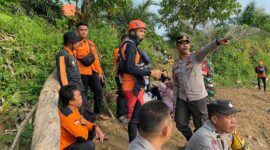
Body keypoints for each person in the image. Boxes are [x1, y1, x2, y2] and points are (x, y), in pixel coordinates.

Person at [172, 34, 230, 142]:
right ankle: (192, 142)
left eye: (187, 43)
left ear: (189, 45)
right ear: (177, 46)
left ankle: (201, 145)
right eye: (181, 43)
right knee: (180, 124)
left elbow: (205, 50)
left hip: (198, 98)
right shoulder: (175, 64)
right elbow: (175, 84)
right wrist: (175, 102)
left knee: (201, 126)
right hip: (182, 99)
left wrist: (217, 42)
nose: (184, 45)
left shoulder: (195, 57)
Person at [118, 19, 163, 142]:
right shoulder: (131, 45)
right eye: (141, 31)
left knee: (137, 115)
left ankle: (141, 141)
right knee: (133, 118)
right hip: (131, 86)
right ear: (132, 32)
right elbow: (130, 68)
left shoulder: (127, 44)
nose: (143, 33)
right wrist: (150, 72)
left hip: (132, 85)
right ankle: (133, 145)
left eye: (144, 31)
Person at [56, 31, 93, 122]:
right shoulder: (62, 54)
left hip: (79, 87)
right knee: (81, 112)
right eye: (76, 42)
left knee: (86, 110)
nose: (78, 44)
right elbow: (62, 74)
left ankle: (92, 129)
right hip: (73, 90)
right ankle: (88, 133)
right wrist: (69, 92)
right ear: (70, 43)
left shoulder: (71, 53)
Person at [59, 85, 105, 150]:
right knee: (89, 145)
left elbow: (84, 121)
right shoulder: (68, 116)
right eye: (78, 95)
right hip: (66, 146)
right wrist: (83, 124)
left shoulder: (73, 108)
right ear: (71, 102)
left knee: (92, 130)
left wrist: (95, 127)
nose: (81, 97)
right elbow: (83, 137)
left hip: (74, 138)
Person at [75, 22, 104, 115]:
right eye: (81, 30)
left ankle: (97, 113)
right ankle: (84, 115)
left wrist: (99, 72)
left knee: (99, 91)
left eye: (85, 30)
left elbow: (96, 59)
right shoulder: (74, 44)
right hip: (82, 72)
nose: (84, 32)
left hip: (93, 71)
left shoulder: (91, 43)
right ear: (77, 31)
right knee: (83, 94)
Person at [114, 34, 129, 123]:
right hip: (119, 76)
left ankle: (126, 113)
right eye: (126, 41)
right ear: (122, 41)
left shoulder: (129, 51)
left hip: (127, 77)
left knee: (127, 94)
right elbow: (121, 63)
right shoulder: (117, 51)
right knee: (122, 94)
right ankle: (120, 115)